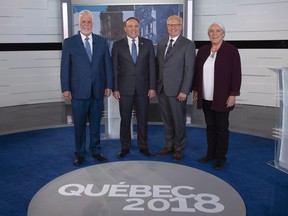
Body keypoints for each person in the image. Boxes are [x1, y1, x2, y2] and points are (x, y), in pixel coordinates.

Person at [60, 10, 113, 166]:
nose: (86, 25)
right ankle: (80, 153)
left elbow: (107, 66)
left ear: (93, 24)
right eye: (83, 22)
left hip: (97, 90)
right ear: (79, 23)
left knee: (96, 123)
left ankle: (96, 150)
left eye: (89, 22)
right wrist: (65, 88)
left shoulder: (102, 42)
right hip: (78, 91)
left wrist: (109, 85)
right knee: (80, 125)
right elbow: (65, 68)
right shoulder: (69, 43)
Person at [192, 22, 242, 170]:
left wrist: (233, 94)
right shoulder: (203, 50)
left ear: (223, 34)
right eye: (211, 31)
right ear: (208, 34)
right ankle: (210, 154)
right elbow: (197, 73)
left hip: (222, 98)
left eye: (218, 31)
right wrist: (196, 90)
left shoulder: (231, 51)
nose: (214, 33)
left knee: (221, 128)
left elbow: (236, 74)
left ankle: (220, 157)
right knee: (210, 127)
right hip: (206, 97)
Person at [112, 17, 156, 158]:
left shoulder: (148, 44)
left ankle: (143, 146)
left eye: (136, 26)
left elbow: (152, 68)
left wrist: (152, 87)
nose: (133, 29)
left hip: (144, 89)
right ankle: (125, 146)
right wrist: (115, 88)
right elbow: (114, 69)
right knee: (125, 119)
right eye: (130, 26)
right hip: (124, 90)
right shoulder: (117, 45)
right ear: (125, 28)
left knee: (143, 119)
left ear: (139, 27)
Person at [156, 15, 195, 161]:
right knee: (167, 120)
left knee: (178, 120)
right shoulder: (161, 44)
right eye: (170, 25)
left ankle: (179, 148)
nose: (172, 27)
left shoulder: (188, 44)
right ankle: (169, 145)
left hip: (178, 90)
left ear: (181, 26)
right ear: (166, 26)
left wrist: (185, 90)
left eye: (176, 25)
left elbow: (189, 69)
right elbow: (159, 66)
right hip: (162, 89)